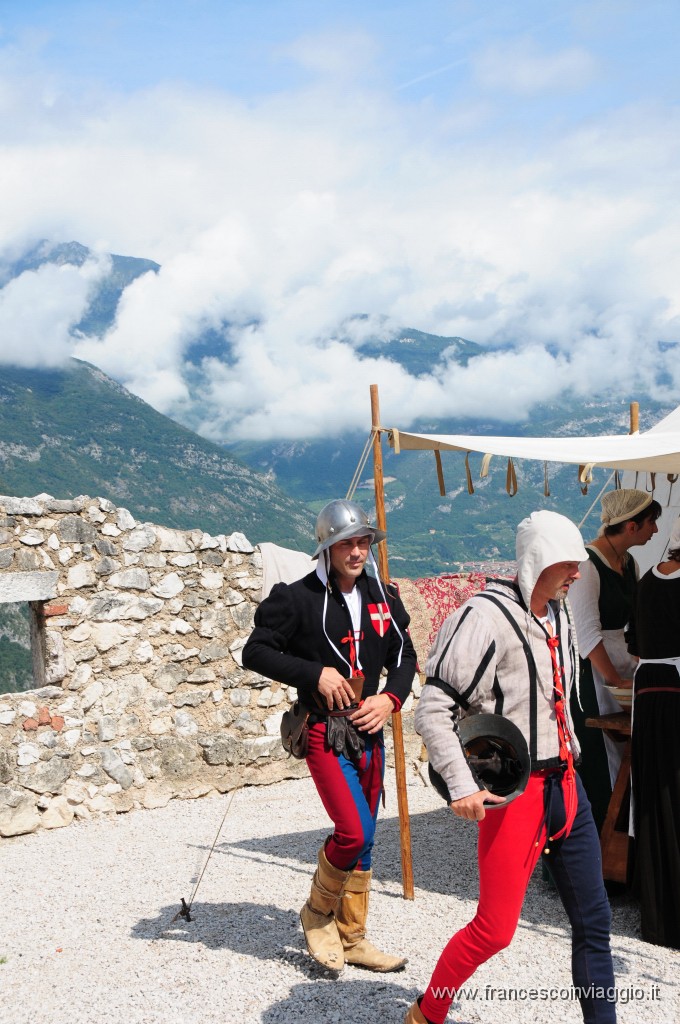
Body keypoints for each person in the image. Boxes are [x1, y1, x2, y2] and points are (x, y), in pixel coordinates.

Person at [406, 510, 617, 1024]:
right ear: (539, 560)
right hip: (515, 796)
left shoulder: (559, 613)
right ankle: (428, 1014)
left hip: (568, 790)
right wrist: (461, 786)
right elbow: (432, 709)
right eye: (569, 563)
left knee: (595, 922)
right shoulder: (482, 616)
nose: (578, 573)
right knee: (495, 930)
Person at [242, 499, 417, 973]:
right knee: (353, 829)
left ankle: (353, 936)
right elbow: (254, 651)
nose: (357, 552)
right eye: (347, 543)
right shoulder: (296, 597)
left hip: (370, 729)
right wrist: (313, 672)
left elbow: (406, 657)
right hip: (323, 729)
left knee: (367, 839)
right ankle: (317, 912)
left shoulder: (384, 595)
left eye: (363, 542)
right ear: (327, 547)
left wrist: (390, 700)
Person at [568, 489, 660, 832]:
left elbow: (635, 618)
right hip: (594, 675)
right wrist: (616, 681)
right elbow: (586, 634)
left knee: (626, 759)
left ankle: (626, 848)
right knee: (602, 759)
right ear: (632, 526)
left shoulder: (629, 563)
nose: (654, 531)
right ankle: (598, 855)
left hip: (622, 666)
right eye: (651, 523)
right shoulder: (588, 567)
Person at [628, 514, 680, 949]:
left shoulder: (647, 580)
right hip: (677, 695)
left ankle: (657, 917)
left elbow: (636, 644)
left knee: (654, 800)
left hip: (648, 695)